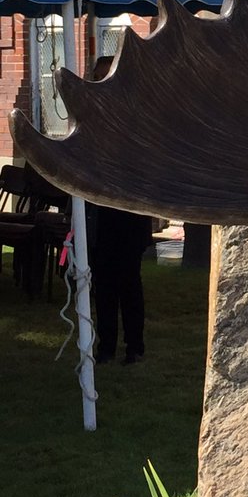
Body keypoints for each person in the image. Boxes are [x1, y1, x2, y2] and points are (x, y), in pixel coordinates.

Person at [88, 56, 153, 365]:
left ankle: (134, 347)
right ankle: (106, 346)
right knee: (103, 286)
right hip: (102, 216)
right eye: (98, 78)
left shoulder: (135, 118)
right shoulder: (93, 118)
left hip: (129, 215)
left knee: (128, 284)